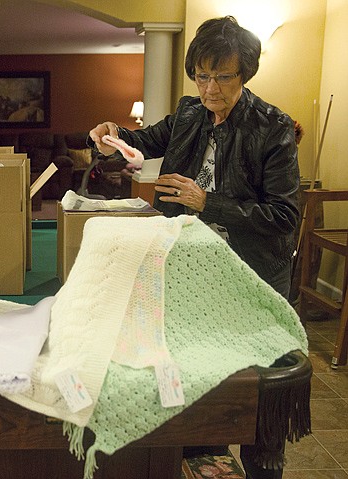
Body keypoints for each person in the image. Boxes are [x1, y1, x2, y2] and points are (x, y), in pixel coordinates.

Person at [88, 16, 300, 479]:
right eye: (203, 76)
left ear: (244, 74)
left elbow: (284, 218)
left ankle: (261, 466)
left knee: (254, 396)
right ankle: (203, 455)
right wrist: (109, 138)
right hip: (190, 272)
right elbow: (138, 141)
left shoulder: (273, 128)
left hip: (250, 277)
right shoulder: (188, 113)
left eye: (223, 76)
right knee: (202, 382)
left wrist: (209, 203)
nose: (211, 89)